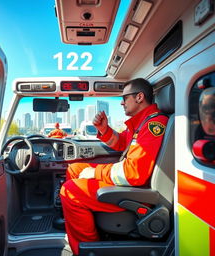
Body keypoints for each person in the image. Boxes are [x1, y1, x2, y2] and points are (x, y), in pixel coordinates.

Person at [60, 78, 168, 255]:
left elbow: (134, 174)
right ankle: (78, 219)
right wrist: (104, 129)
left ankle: (86, 249)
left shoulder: (153, 125)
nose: (121, 102)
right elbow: (122, 144)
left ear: (139, 97)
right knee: (74, 169)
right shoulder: (140, 122)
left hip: (139, 193)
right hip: (134, 185)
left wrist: (95, 172)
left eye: (125, 98)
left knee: (70, 191)